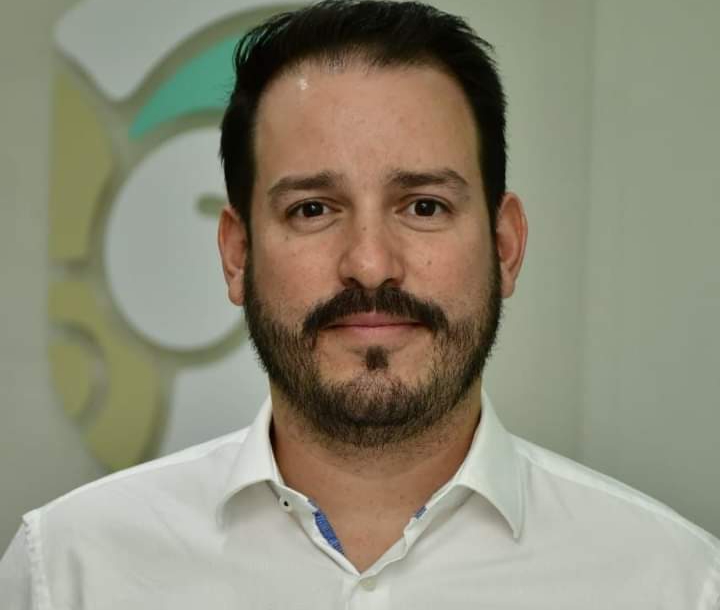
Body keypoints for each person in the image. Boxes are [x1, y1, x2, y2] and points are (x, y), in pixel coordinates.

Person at [2, 0, 719, 607]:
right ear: (237, 253)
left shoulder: (672, 582)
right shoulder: (69, 569)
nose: (370, 263)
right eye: (313, 209)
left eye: (424, 206)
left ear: (505, 247)